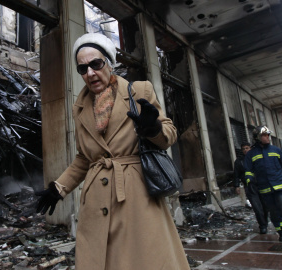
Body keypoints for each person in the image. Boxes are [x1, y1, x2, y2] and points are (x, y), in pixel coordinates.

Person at [35, 33, 189, 269]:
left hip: (137, 197)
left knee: (144, 259)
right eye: (83, 68)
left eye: (96, 64)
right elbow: (84, 158)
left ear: (109, 62)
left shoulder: (139, 91)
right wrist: (59, 188)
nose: (90, 73)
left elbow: (169, 134)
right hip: (96, 200)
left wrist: (153, 128)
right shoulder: (80, 108)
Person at [244, 126, 282, 244]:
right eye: (264, 135)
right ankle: (281, 232)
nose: (267, 137)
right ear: (258, 138)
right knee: (273, 211)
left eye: (268, 135)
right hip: (265, 188)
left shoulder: (276, 150)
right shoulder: (251, 154)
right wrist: (249, 182)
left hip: (279, 184)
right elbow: (248, 170)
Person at [234, 142, 269, 234]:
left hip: (261, 184)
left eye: (247, 148)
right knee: (256, 207)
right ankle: (262, 225)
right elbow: (236, 174)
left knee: (264, 206)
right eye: (244, 149)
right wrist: (237, 185)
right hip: (249, 186)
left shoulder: (256, 158)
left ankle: (265, 221)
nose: (245, 150)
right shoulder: (239, 161)